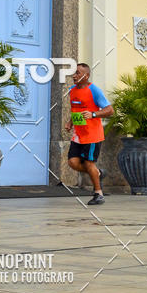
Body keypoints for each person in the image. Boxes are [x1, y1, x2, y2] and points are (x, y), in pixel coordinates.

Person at [65, 62, 114, 205]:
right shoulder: (72, 90)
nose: (74, 76)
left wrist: (93, 114)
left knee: (88, 163)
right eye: (74, 73)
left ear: (86, 76)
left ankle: (98, 194)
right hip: (78, 134)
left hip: (92, 135)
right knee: (73, 162)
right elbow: (76, 109)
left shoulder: (94, 91)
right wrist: (70, 122)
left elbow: (110, 110)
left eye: (78, 73)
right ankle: (97, 173)